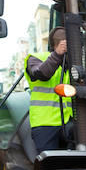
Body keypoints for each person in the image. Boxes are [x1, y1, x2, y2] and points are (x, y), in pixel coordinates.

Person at [25, 28, 72, 157]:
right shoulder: (36, 58)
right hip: (45, 124)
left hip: (68, 121)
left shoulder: (71, 65)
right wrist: (57, 54)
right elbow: (42, 74)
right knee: (49, 165)